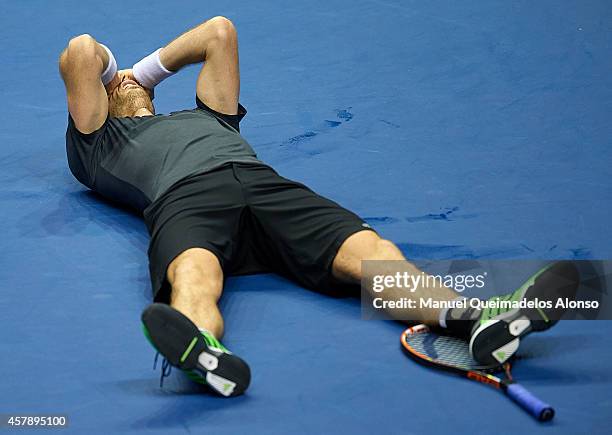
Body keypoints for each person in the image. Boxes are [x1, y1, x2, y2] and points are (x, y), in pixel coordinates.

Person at [59, 17, 579, 397]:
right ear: (101, 101)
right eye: (118, 81)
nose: (127, 78)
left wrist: (144, 72)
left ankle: (472, 320)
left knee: (370, 252)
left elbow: (218, 32)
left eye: (133, 77)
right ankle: (202, 349)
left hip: (268, 187)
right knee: (193, 271)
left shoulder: (211, 118)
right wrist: (112, 76)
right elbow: (81, 50)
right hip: (184, 199)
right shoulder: (97, 145)